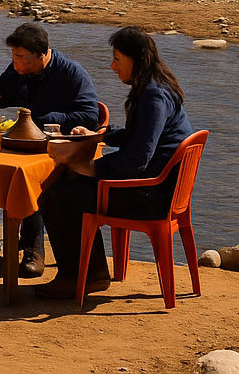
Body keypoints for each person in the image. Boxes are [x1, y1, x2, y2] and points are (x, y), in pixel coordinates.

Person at [35, 26, 195, 299]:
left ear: (136, 60)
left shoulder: (154, 96)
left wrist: (94, 168)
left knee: (57, 194)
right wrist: (100, 135)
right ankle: (88, 271)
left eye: (117, 59)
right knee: (69, 186)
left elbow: (138, 158)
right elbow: (138, 136)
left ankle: (82, 275)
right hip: (161, 189)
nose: (112, 66)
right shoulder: (156, 86)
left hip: (150, 196)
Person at [0, 21, 101, 277]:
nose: (17, 65)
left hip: (60, 151)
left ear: (43, 55)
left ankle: (34, 250)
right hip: (24, 143)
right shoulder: (19, 66)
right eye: (14, 58)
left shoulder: (72, 74)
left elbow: (90, 116)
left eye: (23, 60)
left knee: (30, 180)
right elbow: (5, 90)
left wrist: (48, 120)